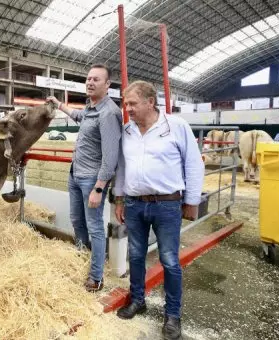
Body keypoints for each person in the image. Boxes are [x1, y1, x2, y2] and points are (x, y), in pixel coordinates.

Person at [112, 80, 204, 340]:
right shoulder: (127, 131)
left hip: (167, 204)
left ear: (150, 102)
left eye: (132, 103)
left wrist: (192, 201)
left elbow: (194, 164)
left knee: (170, 260)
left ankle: (173, 315)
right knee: (136, 254)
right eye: (125, 103)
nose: (127, 108)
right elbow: (122, 168)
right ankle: (137, 300)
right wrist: (119, 199)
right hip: (134, 203)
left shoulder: (176, 126)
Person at [46, 63, 122, 292]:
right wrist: (59, 104)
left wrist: (99, 188)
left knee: (95, 227)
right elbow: (78, 116)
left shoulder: (109, 113)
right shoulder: (91, 107)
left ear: (107, 85)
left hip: (92, 180)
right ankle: (80, 259)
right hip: (75, 174)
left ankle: (96, 277)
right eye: (88, 79)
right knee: (77, 221)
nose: (90, 82)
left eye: (96, 79)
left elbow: (111, 156)